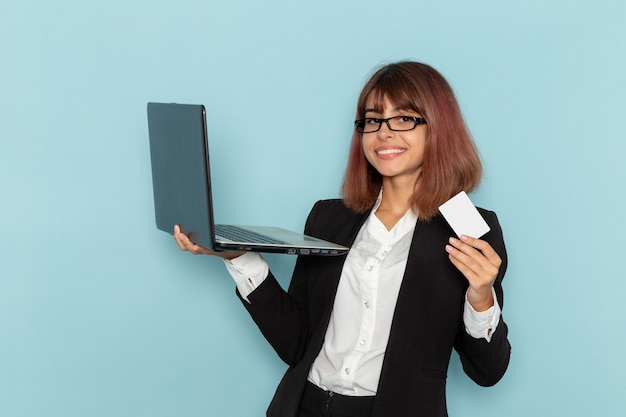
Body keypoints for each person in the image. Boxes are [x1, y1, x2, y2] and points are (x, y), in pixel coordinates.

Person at [173, 61, 510, 417]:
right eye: (373, 119)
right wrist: (237, 256)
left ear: (438, 128)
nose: (384, 132)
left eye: (404, 118)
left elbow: (487, 372)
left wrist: (481, 297)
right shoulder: (328, 217)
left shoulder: (470, 230)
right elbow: (297, 343)